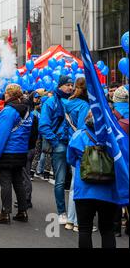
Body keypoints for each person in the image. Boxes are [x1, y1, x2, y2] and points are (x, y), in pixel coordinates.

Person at [67, 112, 122, 248]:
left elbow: (71, 159)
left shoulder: (79, 135)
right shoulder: (116, 138)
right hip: (109, 190)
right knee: (107, 230)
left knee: (84, 229)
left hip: (85, 190)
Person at [0, 84, 34, 224]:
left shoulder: (9, 111)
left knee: (5, 183)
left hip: (7, 151)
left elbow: (2, 135)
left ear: (9, 95)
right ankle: (22, 212)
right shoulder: (29, 112)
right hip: (21, 151)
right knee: (18, 182)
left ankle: (5, 213)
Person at [39, 75, 74, 224]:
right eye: (67, 85)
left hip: (74, 144)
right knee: (60, 180)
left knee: (76, 181)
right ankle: (62, 212)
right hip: (60, 144)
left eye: (72, 85)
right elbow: (43, 125)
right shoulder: (50, 102)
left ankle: (76, 214)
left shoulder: (75, 102)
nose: (70, 87)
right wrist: (55, 142)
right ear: (60, 86)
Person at [63, 77, 90, 231]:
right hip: (82, 147)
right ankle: (78, 221)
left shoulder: (68, 103)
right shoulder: (84, 105)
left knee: (74, 184)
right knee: (80, 184)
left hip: (70, 144)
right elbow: (82, 128)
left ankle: (70, 220)